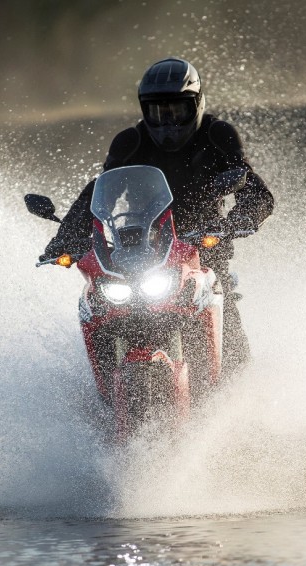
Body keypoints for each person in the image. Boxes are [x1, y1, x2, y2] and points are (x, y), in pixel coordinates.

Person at [40, 57, 274, 369]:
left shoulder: (217, 135)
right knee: (97, 303)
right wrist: (67, 237)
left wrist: (240, 219)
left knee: (231, 344)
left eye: (177, 110)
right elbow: (99, 194)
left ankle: (237, 399)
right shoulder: (131, 142)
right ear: (144, 109)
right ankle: (96, 394)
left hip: (203, 248)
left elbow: (256, 192)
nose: (167, 122)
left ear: (196, 104)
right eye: (158, 111)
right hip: (142, 251)